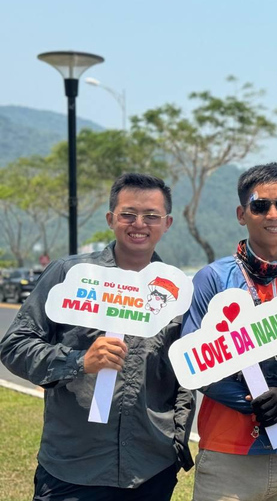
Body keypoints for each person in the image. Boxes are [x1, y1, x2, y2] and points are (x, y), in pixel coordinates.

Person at [0, 173, 194, 501]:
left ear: (168, 223)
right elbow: (15, 345)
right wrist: (78, 361)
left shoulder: (177, 294)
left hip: (149, 469)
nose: (139, 224)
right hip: (73, 468)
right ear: (110, 219)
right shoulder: (71, 276)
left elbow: (184, 375)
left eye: (151, 216)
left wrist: (175, 438)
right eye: (128, 214)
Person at [181, 163, 277, 501]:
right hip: (229, 456)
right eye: (260, 206)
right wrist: (252, 402)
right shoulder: (212, 279)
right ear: (242, 214)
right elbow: (192, 362)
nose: (273, 214)